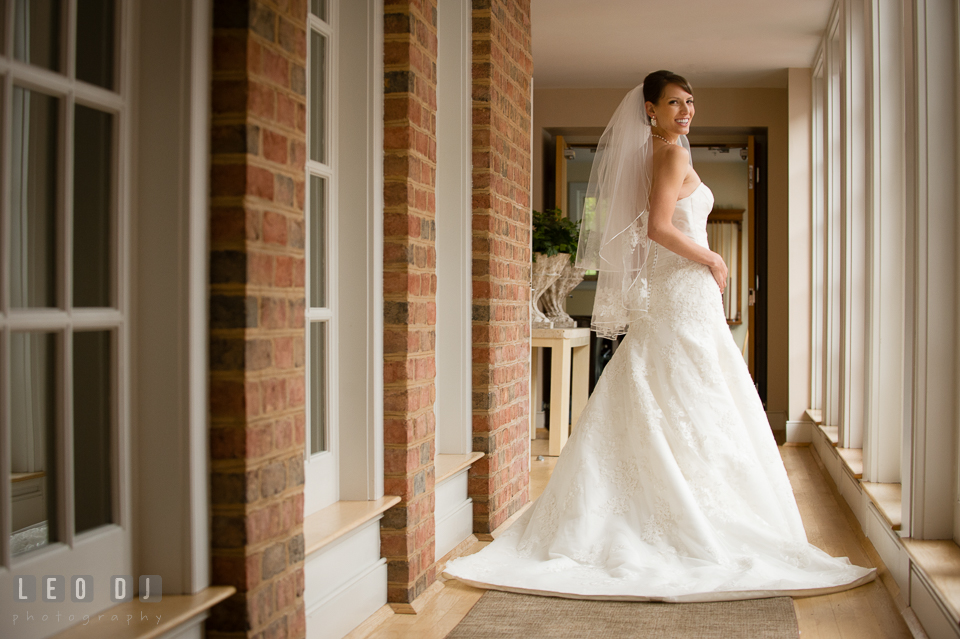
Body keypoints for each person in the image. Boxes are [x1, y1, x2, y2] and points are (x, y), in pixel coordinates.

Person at [442, 70, 876, 602]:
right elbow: (659, 228)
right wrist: (713, 255)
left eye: (691, 102)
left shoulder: (658, 152)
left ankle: (667, 502)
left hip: (678, 292)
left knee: (676, 388)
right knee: (693, 390)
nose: (686, 111)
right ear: (650, 109)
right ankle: (691, 511)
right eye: (674, 103)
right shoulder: (669, 155)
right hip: (680, 290)